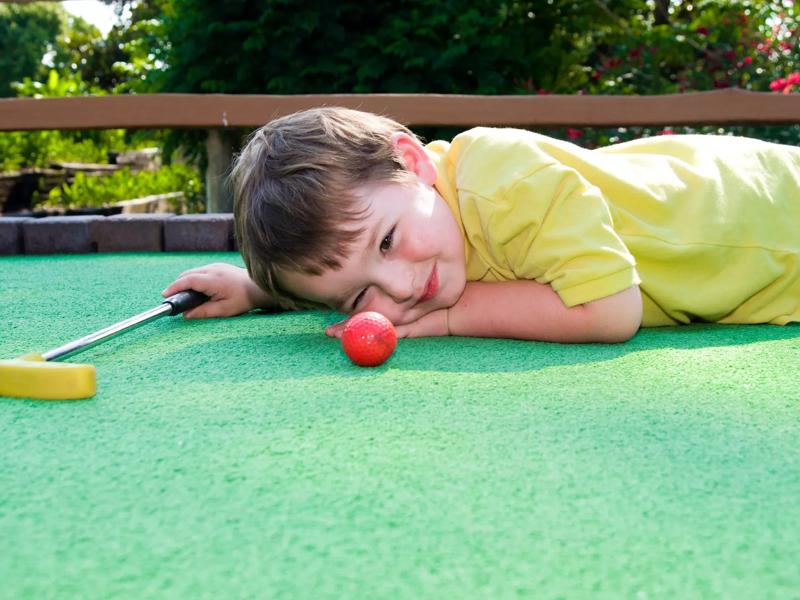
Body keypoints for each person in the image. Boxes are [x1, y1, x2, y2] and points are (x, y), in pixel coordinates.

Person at [162, 107, 800, 343]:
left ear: (413, 162)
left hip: (777, 220)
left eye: (388, 241)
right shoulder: (407, 216)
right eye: (362, 296)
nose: (405, 285)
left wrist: (446, 322)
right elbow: (355, 269)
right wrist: (258, 291)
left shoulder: (504, 176)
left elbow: (611, 311)